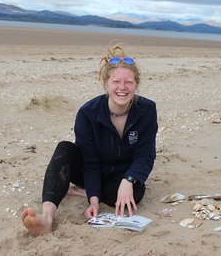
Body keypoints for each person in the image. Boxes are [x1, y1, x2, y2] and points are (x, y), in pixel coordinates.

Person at [21, 44, 158, 236]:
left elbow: (145, 154)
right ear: (106, 85)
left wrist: (129, 179)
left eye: (128, 82)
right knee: (65, 149)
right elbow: (90, 161)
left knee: (135, 194)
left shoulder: (147, 110)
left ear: (136, 84)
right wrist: (94, 201)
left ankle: (86, 190)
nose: (122, 88)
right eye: (116, 81)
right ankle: (46, 218)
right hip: (89, 170)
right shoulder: (88, 113)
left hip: (120, 174)